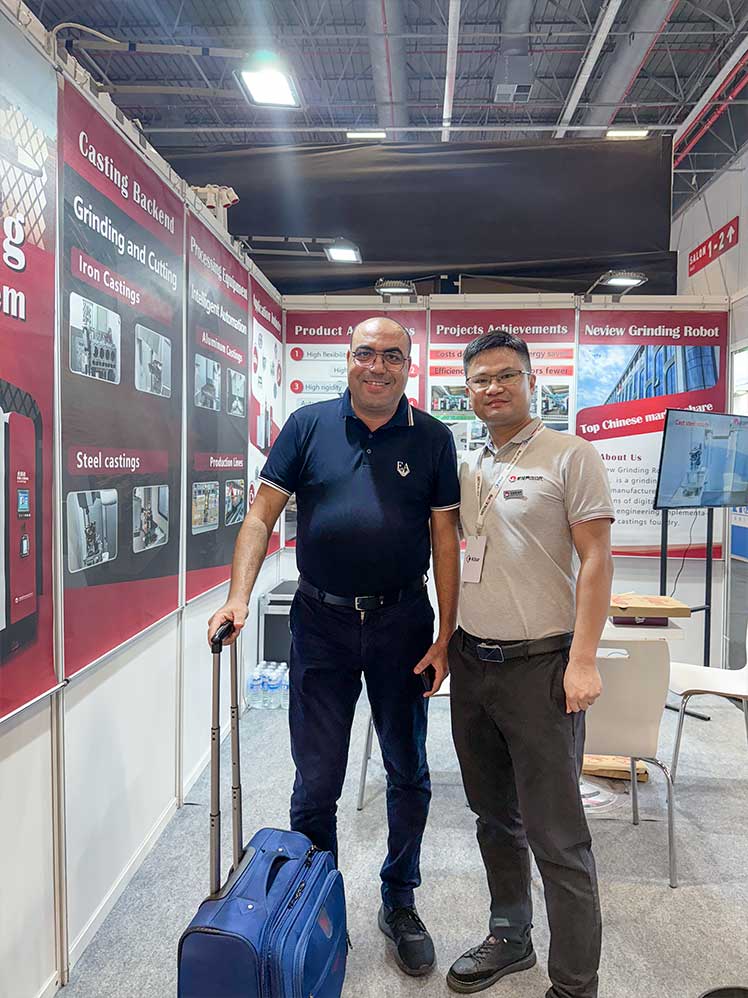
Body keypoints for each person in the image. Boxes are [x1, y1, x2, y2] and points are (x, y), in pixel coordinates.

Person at [208, 316, 461, 977]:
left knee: (408, 770)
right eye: (366, 353)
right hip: (320, 623)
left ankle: (399, 900)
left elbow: (445, 540)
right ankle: (317, 904)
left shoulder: (433, 438)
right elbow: (260, 515)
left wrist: (445, 635)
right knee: (316, 780)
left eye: (393, 356)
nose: (378, 366)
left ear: (409, 366)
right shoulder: (307, 425)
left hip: (402, 623)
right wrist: (238, 597)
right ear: (348, 359)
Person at [446, 330, 614, 998]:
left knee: (558, 839)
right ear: (468, 390)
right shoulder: (468, 466)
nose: (493, 388)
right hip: (473, 667)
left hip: (542, 669)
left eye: (506, 376)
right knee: (494, 820)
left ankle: (574, 985)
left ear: (531, 381)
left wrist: (583, 660)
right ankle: (510, 937)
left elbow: (597, 559)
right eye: (480, 379)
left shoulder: (570, 455)